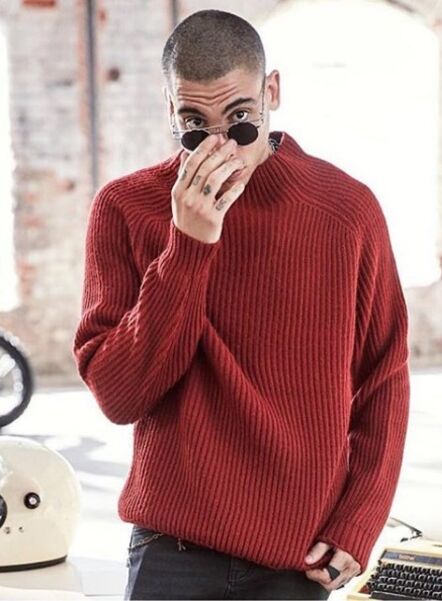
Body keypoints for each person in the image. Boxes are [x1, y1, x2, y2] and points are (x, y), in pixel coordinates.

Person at [72, 8, 411, 601]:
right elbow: (120, 396)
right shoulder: (125, 208)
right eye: (194, 125)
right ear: (169, 109)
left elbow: (384, 376)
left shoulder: (345, 211)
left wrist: (359, 520)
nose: (220, 145)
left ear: (271, 92)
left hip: (295, 559)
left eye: (240, 120)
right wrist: (188, 245)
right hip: (170, 549)